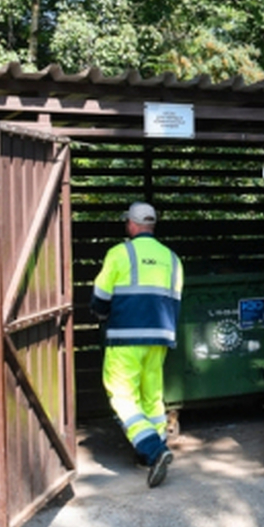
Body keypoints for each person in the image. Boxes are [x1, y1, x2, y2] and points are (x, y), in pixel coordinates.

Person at [90, 201, 183, 488]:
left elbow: (100, 298)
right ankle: (149, 454)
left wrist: (101, 315)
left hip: (125, 337)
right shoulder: (173, 259)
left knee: (122, 396)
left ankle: (155, 451)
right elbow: (176, 302)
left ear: (131, 224)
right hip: (160, 338)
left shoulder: (119, 254)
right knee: (152, 397)